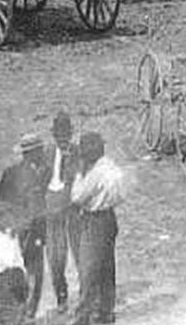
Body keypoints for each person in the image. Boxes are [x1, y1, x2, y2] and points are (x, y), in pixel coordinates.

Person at [69, 131, 125, 325]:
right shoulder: (112, 167)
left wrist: (78, 174)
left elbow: (77, 197)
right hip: (110, 218)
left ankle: (82, 316)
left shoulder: (95, 173)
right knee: (107, 269)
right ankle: (105, 313)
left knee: (88, 270)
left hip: (94, 221)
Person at [0, 134, 49, 321]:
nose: (43, 153)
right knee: (30, 272)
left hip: (27, 230)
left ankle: (25, 314)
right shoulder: (31, 174)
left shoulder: (40, 172)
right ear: (31, 153)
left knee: (29, 272)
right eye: (40, 150)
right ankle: (25, 314)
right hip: (23, 230)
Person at [44, 111, 81, 314]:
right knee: (55, 257)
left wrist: (69, 164)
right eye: (59, 136)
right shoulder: (47, 153)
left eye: (65, 136)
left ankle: (86, 293)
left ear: (71, 134)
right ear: (54, 136)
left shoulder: (78, 153)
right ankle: (62, 296)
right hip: (51, 208)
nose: (62, 140)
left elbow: (80, 180)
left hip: (71, 209)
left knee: (79, 253)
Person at [0, 199, 27, 325]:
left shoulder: (11, 234)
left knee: (20, 314)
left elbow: (18, 258)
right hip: (0, 281)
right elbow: (7, 260)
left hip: (16, 277)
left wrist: (22, 273)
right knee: (8, 317)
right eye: (6, 218)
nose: (10, 220)